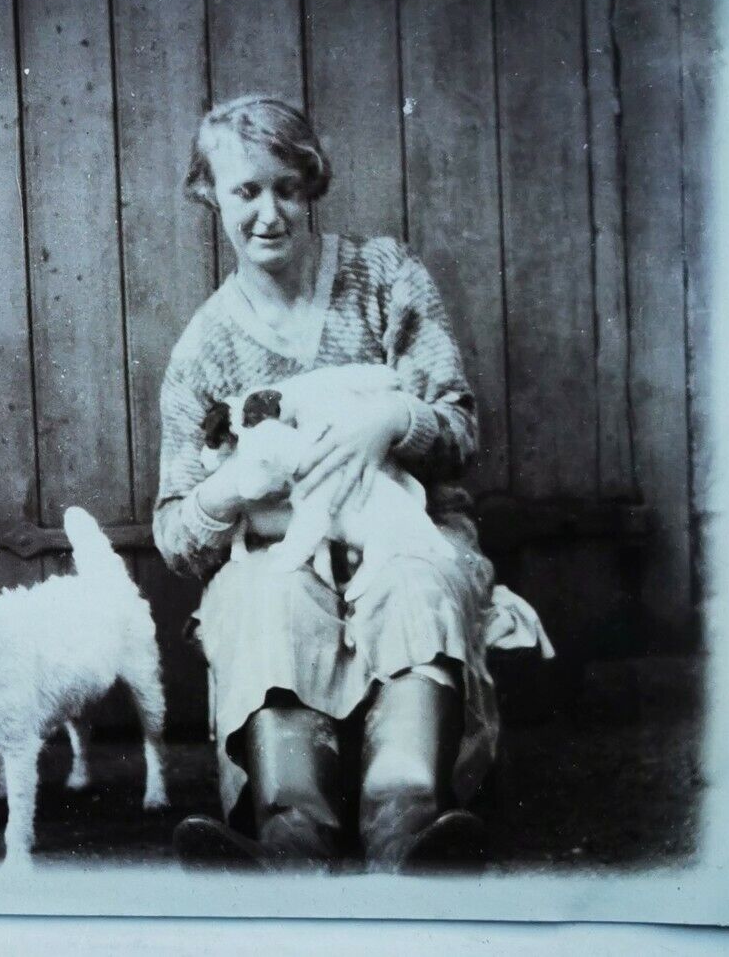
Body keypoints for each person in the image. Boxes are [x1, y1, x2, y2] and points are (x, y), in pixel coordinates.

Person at [155, 96, 502, 870]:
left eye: (287, 186)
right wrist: (229, 488)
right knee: (264, 598)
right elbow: (177, 538)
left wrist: (391, 422)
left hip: (407, 536)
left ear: (311, 185)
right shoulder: (204, 350)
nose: (270, 213)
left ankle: (406, 829)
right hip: (279, 555)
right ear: (211, 194)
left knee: (417, 582)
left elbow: (460, 427)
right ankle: (287, 849)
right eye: (246, 191)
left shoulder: (384, 277)